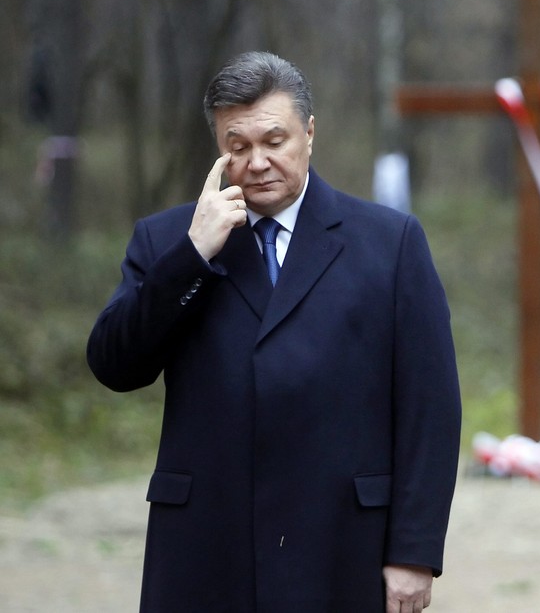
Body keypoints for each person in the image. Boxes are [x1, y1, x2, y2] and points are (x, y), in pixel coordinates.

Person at [88, 51, 462, 613]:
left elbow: (429, 408)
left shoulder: (390, 243)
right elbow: (116, 364)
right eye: (237, 147)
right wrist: (192, 255)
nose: (258, 162)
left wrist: (413, 551)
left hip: (342, 544)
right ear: (219, 148)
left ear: (309, 133)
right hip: (205, 549)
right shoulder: (168, 240)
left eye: (275, 140)